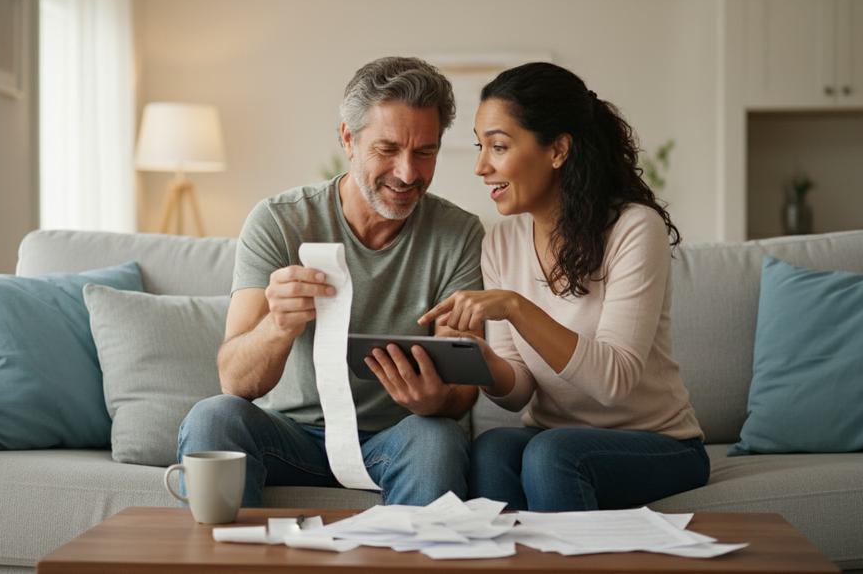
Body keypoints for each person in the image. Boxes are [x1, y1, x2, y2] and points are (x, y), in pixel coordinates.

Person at [177, 57, 484, 506]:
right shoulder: (278, 222)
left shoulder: (458, 235)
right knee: (214, 417)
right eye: (387, 149)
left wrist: (436, 401)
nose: (407, 173)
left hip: (395, 437)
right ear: (348, 138)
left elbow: (461, 393)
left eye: (425, 152)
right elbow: (236, 382)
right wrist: (278, 325)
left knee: (436, 438)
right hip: (289, 436)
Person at [419, 62, 709, 511]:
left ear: (557, 150)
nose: (481, 167)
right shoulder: (501, 243)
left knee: (551, 455)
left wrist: (515, 307)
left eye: (498, 146)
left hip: (657, 444)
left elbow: (614, 381)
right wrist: (474, 356)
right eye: (481, 147)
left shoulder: (634, 229)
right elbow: (517, 392)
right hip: (552, 436)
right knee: (493, 449)